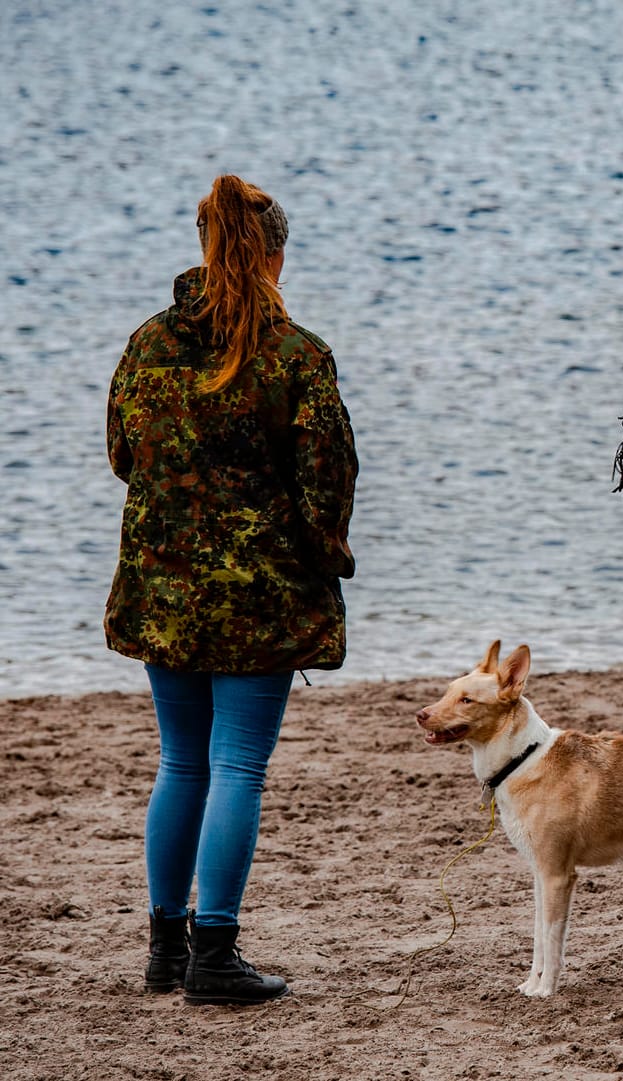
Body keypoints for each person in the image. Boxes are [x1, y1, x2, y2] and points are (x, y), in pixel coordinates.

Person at [105, 174, 358, 1005]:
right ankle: (214, 953)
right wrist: (326, 560)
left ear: (204, 246)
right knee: (237, 766)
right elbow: (328, 484)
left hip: (164, 587)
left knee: (181, 761)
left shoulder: (147, 343)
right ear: (276, 257)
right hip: (261, 594)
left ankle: (164, 950)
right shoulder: (298, 356)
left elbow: (121, 453)